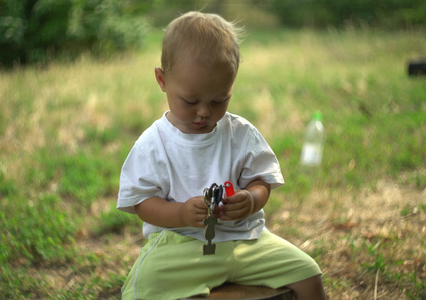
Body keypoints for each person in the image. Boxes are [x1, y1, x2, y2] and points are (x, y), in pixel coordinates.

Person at [117, 11, 326, 300]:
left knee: (308, 273)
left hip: (247, 241)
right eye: (190, 101)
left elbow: (261, 181)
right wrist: (180, 213)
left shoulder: (241, 133)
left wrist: (251, 199)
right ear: (162, 80)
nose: (204, 111)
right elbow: (141, 202)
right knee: (143, 288)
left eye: (219, 100)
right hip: (181, 245)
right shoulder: (153, 144)